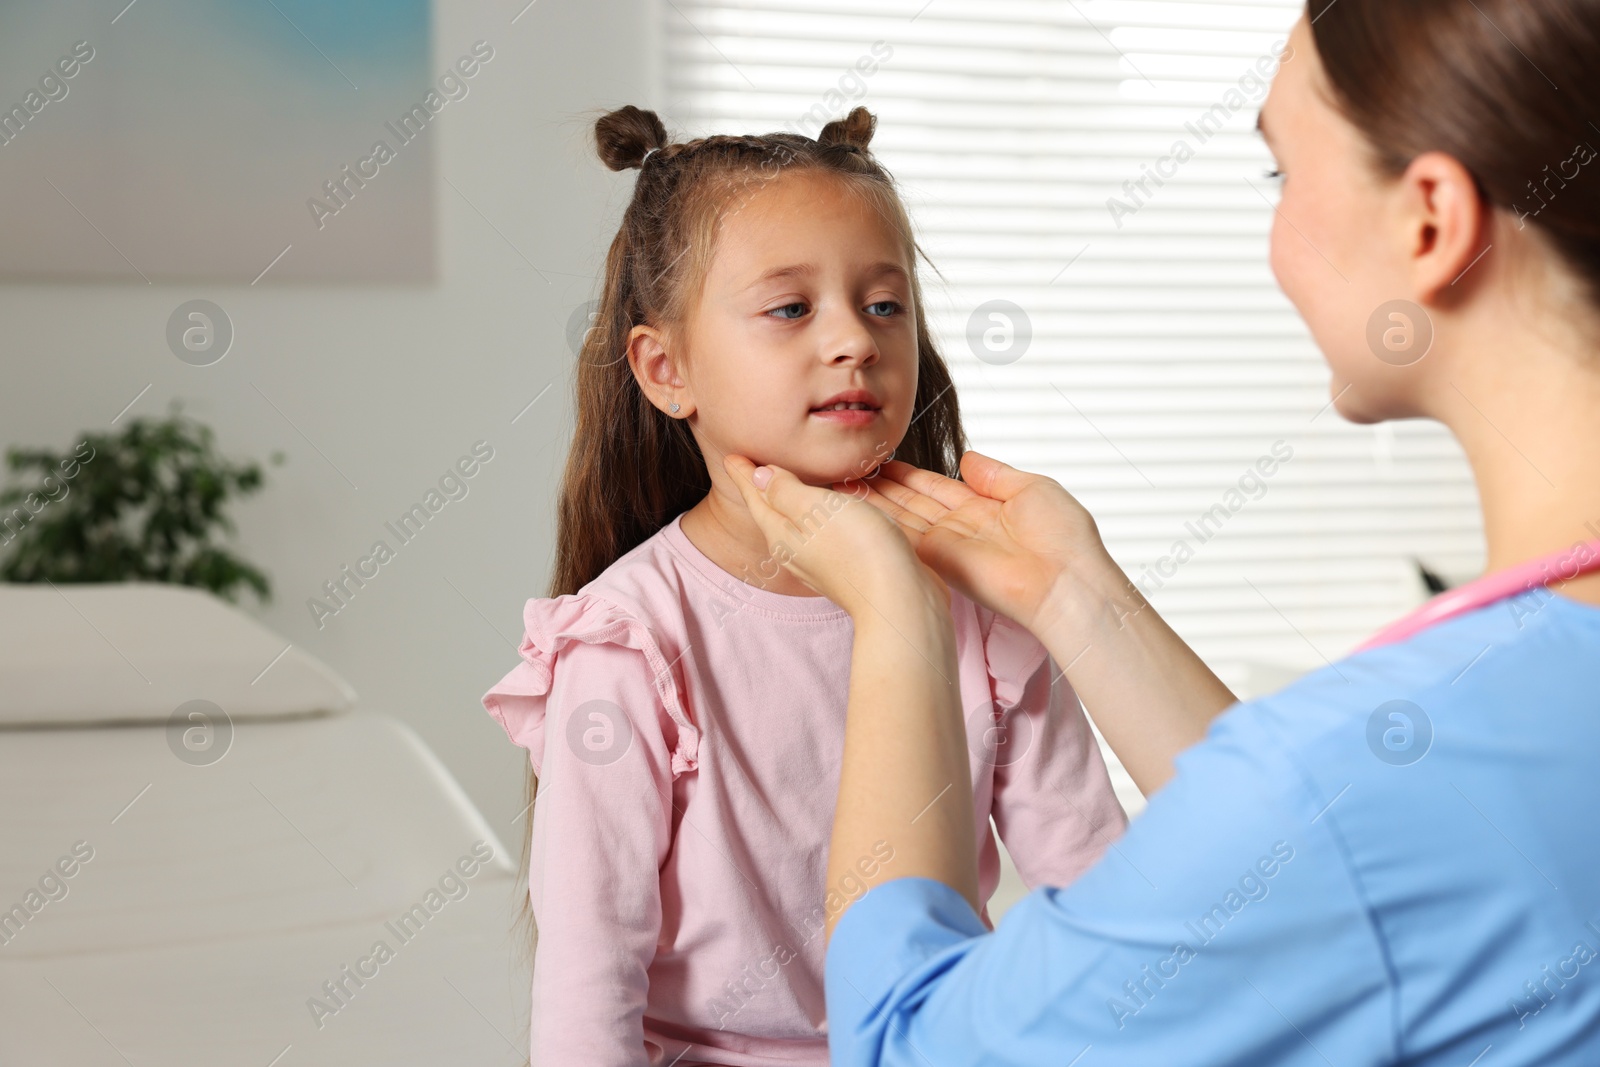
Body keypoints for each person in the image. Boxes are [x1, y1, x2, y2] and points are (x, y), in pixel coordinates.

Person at [724, 0, 1600, 1062]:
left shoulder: (1361, 786)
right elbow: (1348, 897)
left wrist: (896, 618)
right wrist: (1074, 599)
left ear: (1428, 222)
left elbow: (907, 1038)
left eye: (1282, 175)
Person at [479, 105, 1126, 1064]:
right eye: (791, 308)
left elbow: (1102, 895)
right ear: (666, 369)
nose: (854, 342)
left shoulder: (984, 601)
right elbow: (587, 980)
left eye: (884, 304)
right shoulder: (631, 641)